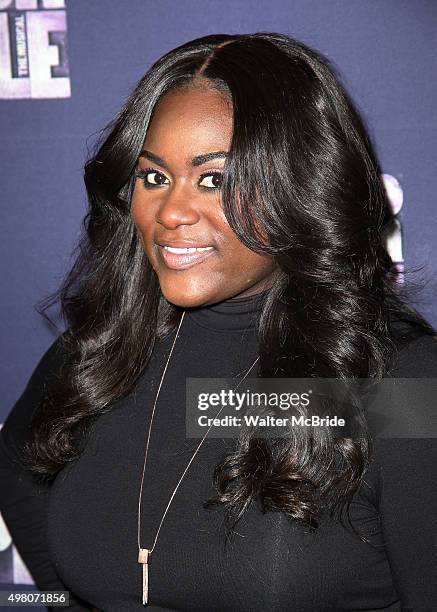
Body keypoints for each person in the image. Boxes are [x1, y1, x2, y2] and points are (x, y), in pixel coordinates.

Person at [1, 32, 436, 612]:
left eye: (215, 179)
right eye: (153, 177)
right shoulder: (108, 351)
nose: (172, 211)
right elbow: (17, 462)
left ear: (299, 187)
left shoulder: (397, 387)